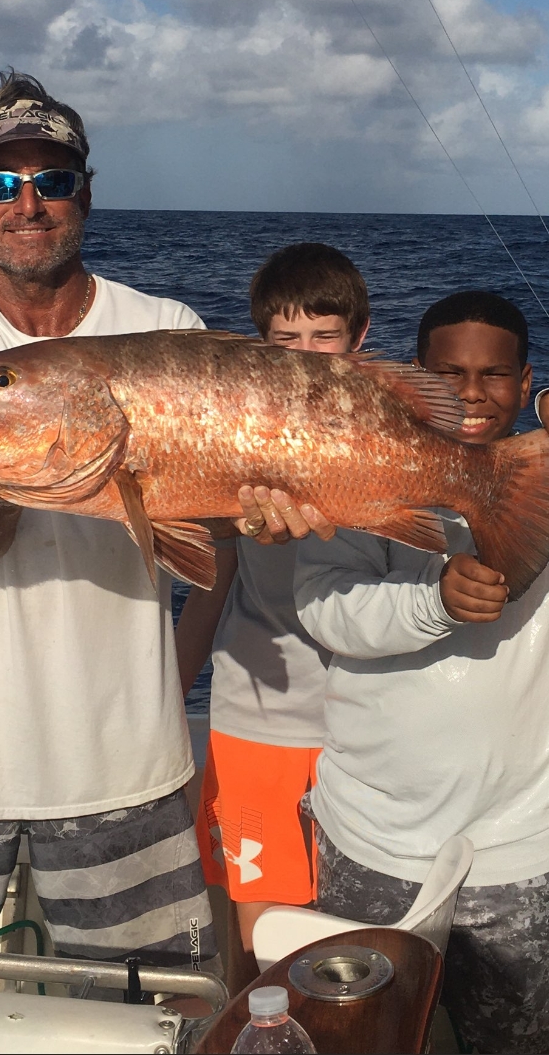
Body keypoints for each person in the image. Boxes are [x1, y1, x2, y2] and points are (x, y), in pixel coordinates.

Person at [0, 69, 223, 979]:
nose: (27, 203)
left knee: (156, 1011)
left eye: (52, 180)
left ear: (85, 197)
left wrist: (264, 511)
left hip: (124, 758)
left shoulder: (167, 327)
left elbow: (212, 529)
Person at [293, 289, 549, 1055]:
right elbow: (325, 606)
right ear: (413, 376)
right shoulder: (353, 471)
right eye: (447, 372)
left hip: (530, 845)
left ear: (528, 384)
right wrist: (436, 602)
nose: (471, 392)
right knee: (365, 1042)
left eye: (494, 375)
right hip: (374, 840)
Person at [176, 243, 369, 991]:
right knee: (263, 948)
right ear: (260, 349)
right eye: (285, 341)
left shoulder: (390, 435)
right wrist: (171, 698)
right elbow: (213, 583)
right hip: (257, 723)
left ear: (359, 337)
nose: (308, 355)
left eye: (325, 336)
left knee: (353, 942)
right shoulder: (229, 440)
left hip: (366, 732)